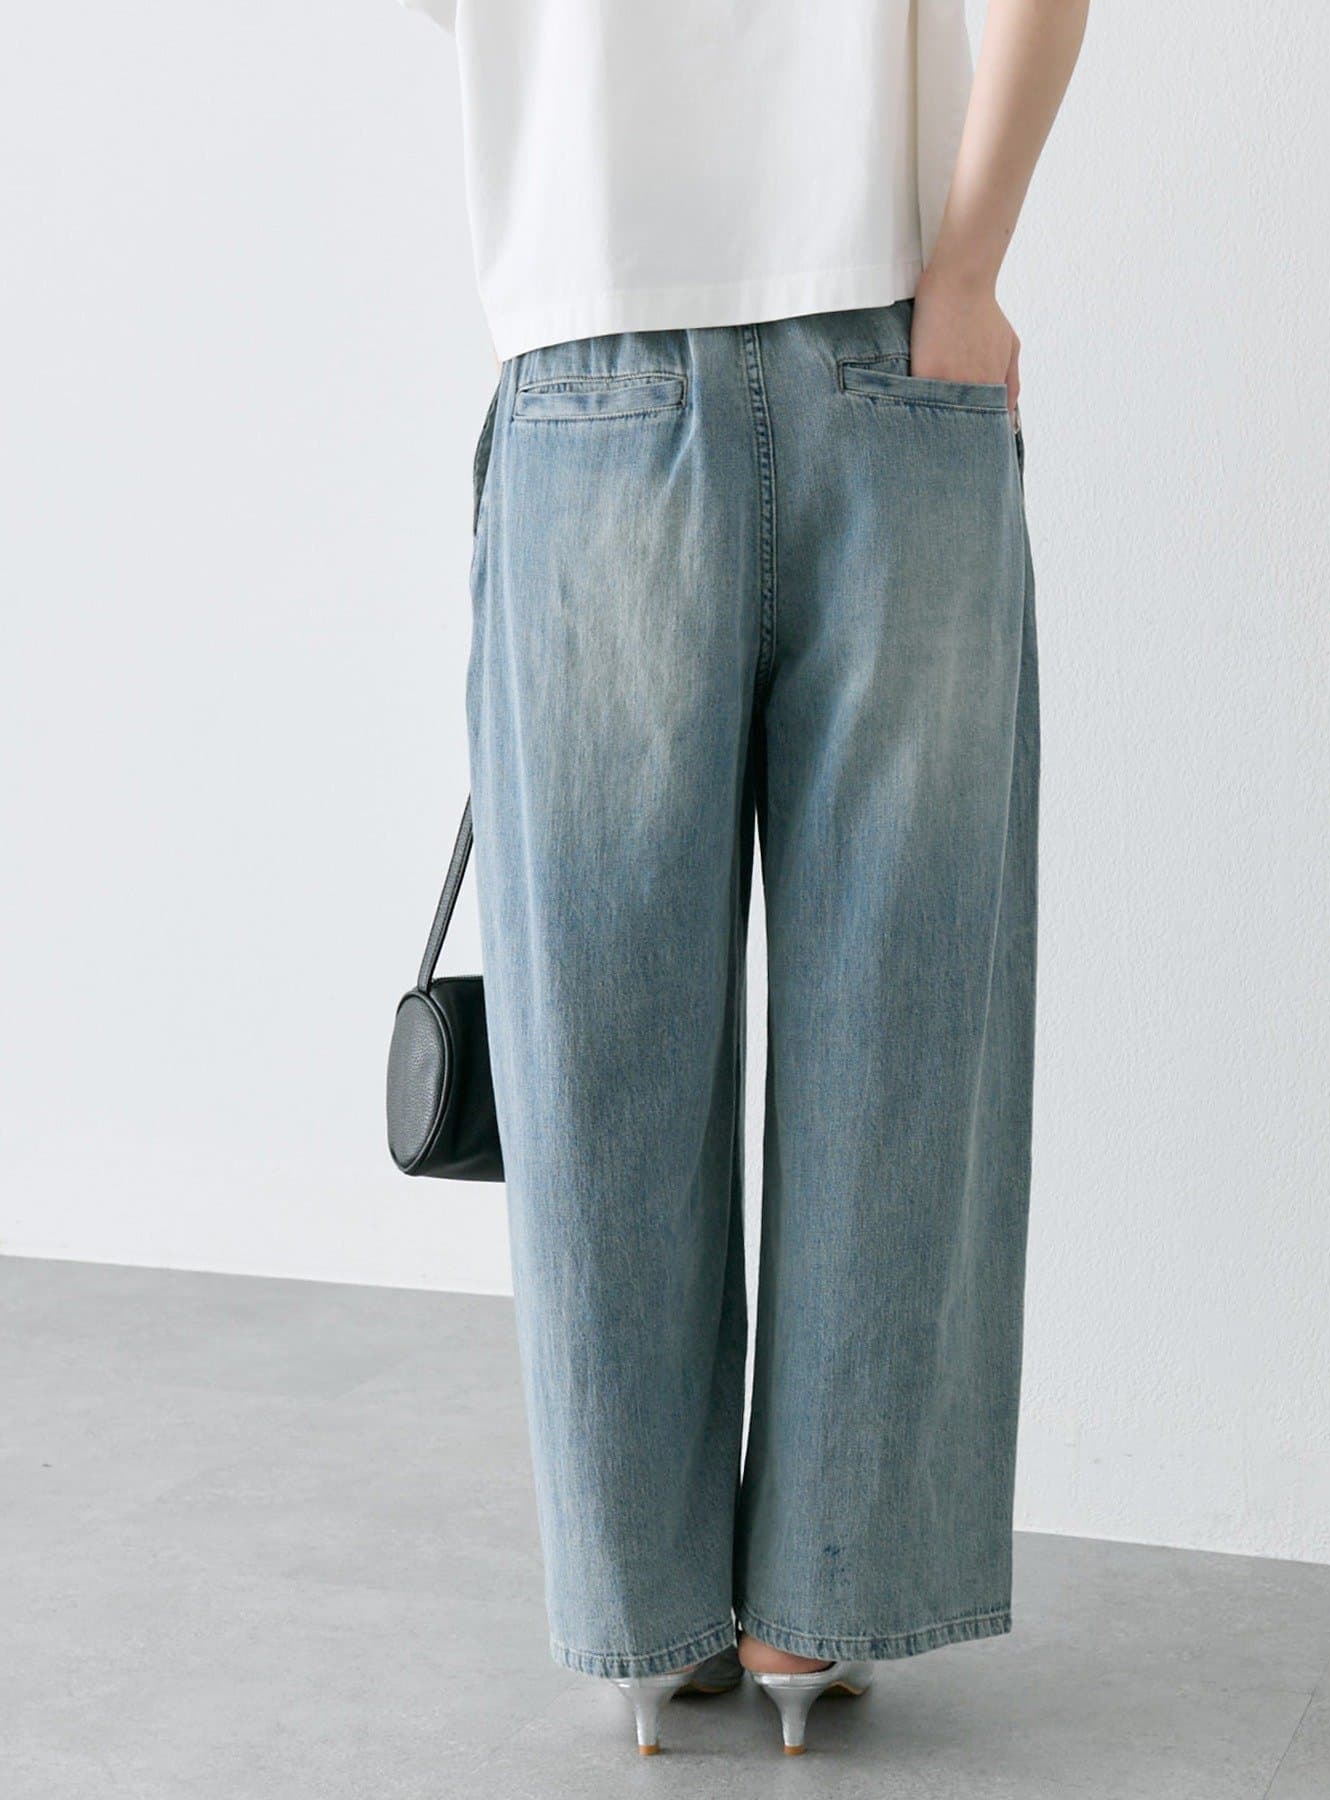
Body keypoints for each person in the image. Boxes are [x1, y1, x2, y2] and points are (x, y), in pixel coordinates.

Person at [398, 0, 1087, 1757]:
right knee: (903, 1015)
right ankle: (819, 1611)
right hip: (900, 346)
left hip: (593, 365)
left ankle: (644, 1620)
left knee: (600, 1038)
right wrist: (968, 271)